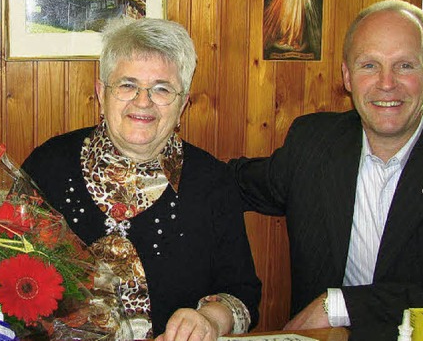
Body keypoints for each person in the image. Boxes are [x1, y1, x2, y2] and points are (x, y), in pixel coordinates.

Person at [21, 17, 261, 340]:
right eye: (127, 85)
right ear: (101, 93)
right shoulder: (48, 166)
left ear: (183, 104)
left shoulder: (213, 183)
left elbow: (243, 296)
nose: (143, 101)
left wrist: (210, 320)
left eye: (162, 89)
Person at [231, 0, 423, 339]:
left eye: (405, 66)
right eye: (369, 65)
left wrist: (340, 304)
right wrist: (152, 156)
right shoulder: (313, 144)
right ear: (347, 76)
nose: (386, 83)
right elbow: (232, 182)